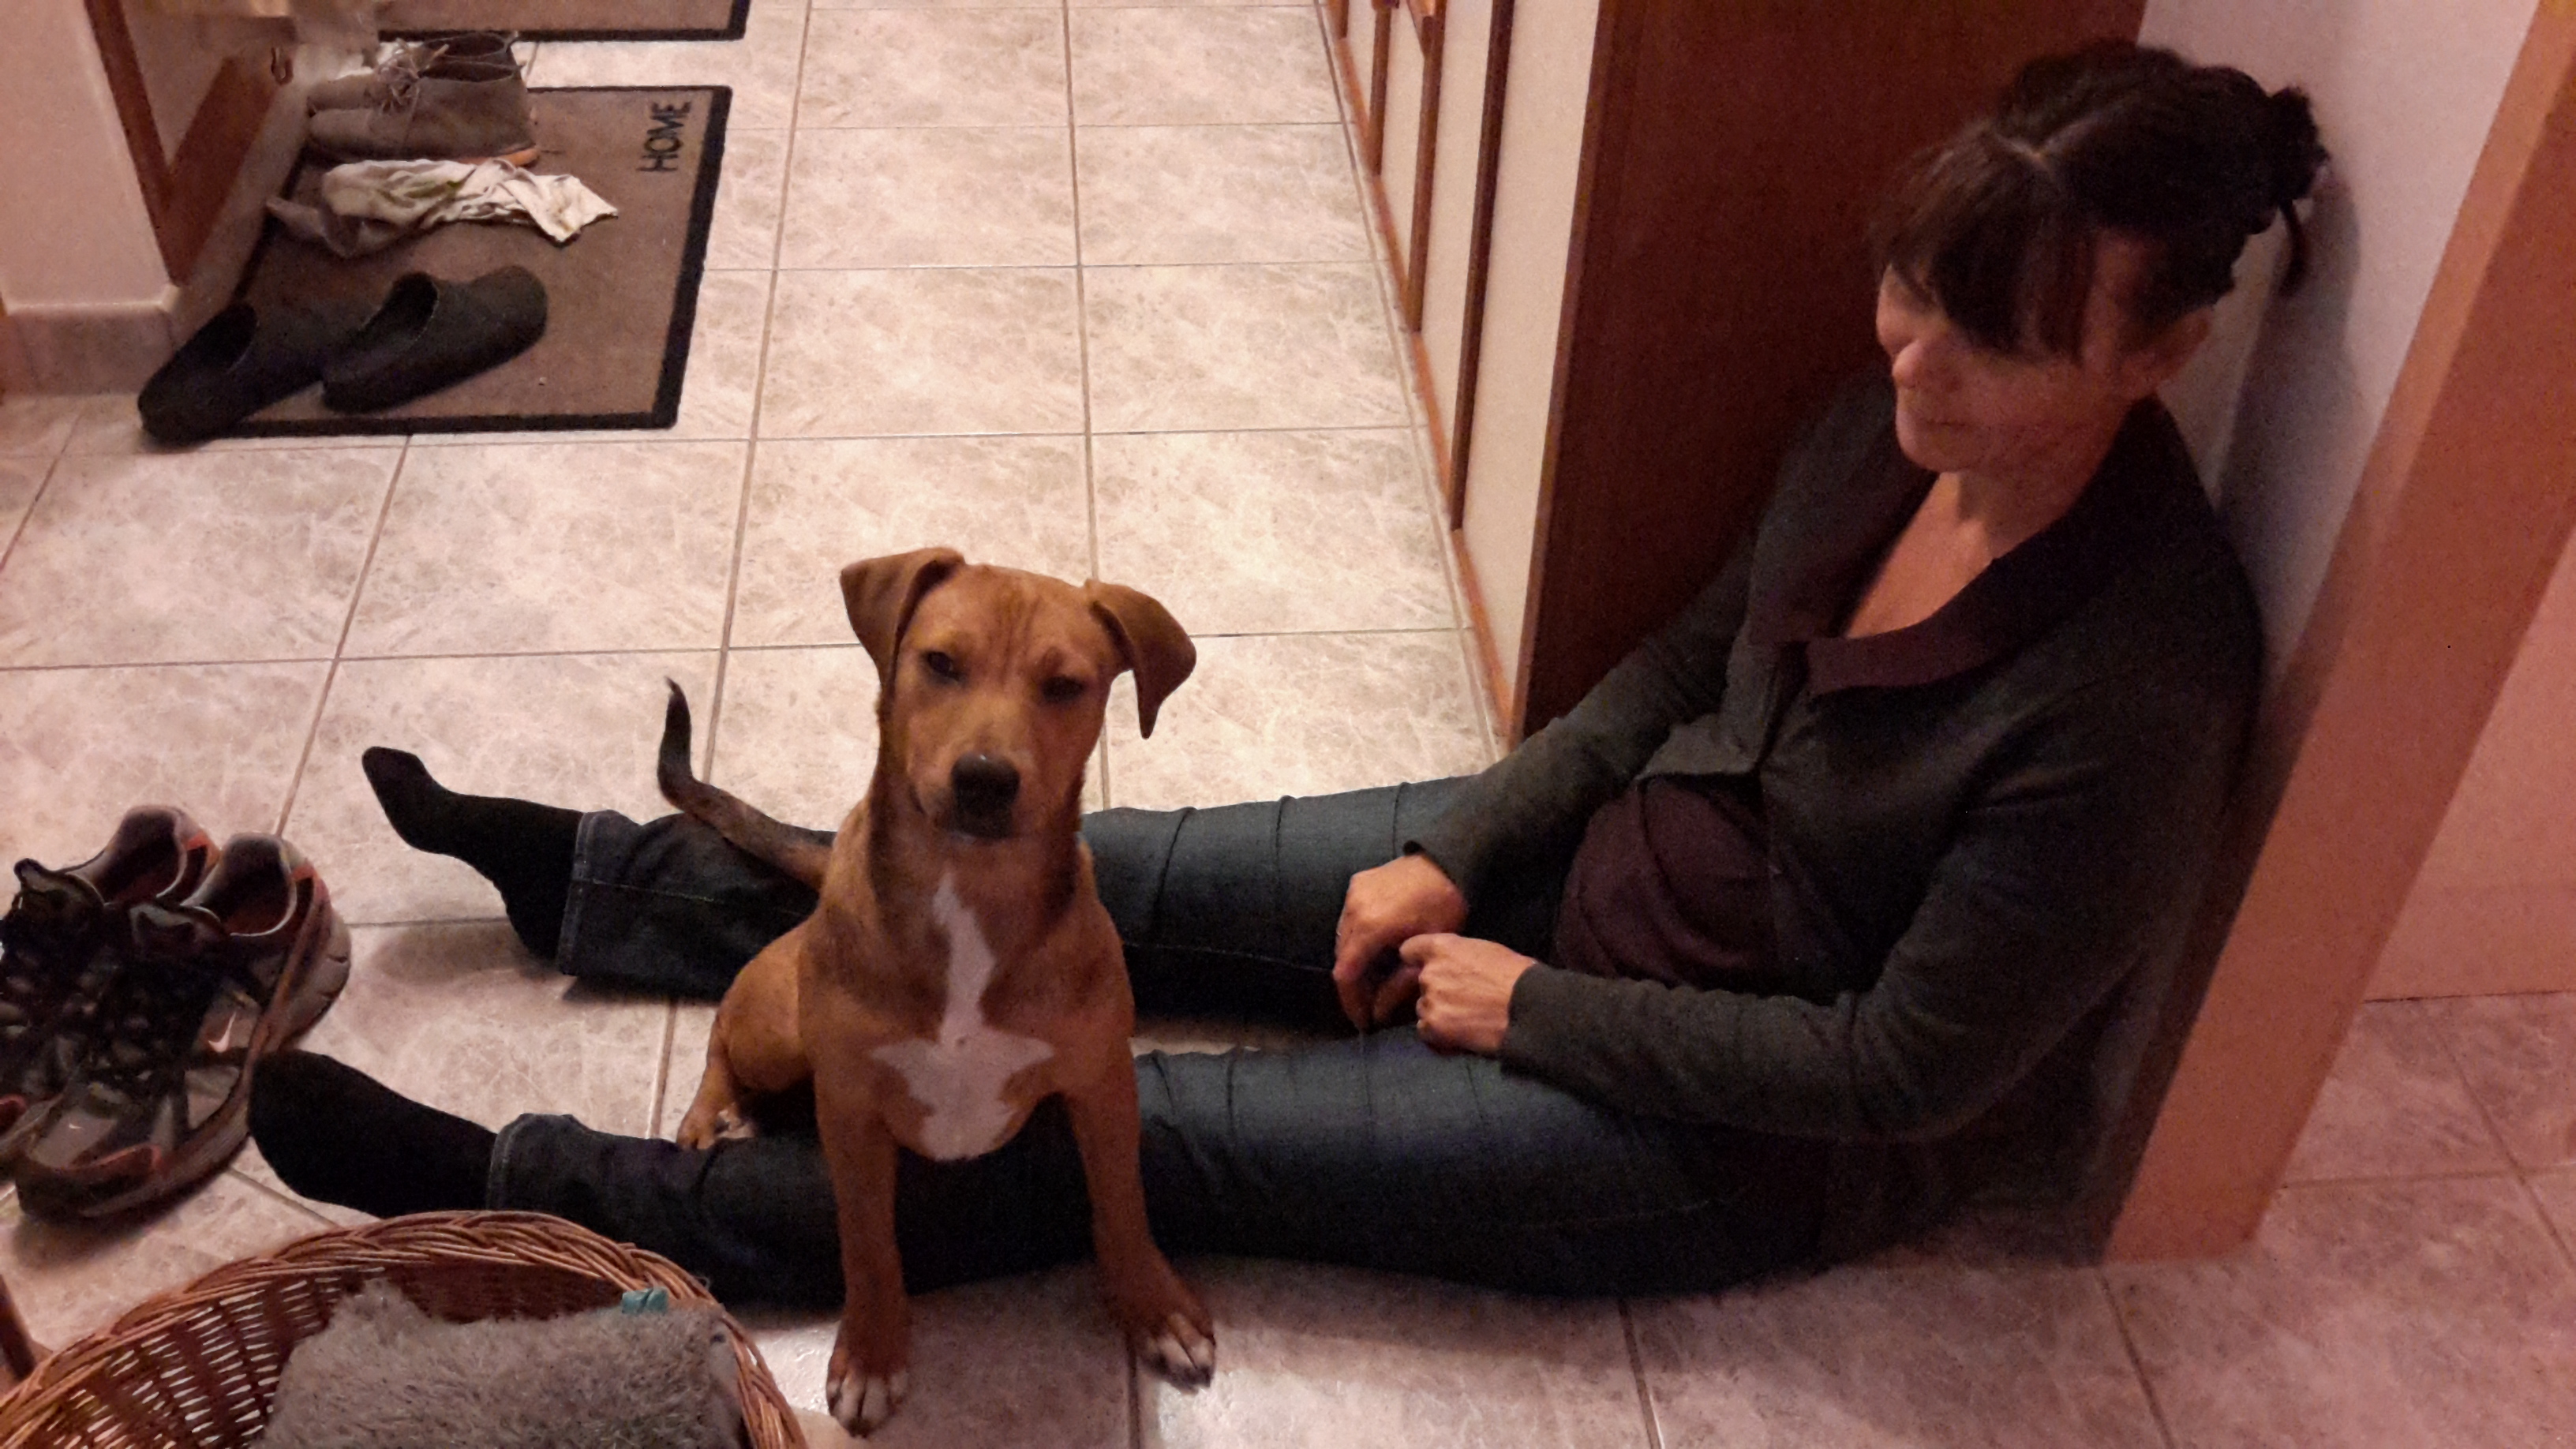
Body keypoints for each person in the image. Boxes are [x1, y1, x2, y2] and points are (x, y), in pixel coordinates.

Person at [251, 41, 2324, 1305]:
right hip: (1604, 864)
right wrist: (1467, 848)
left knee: (1122, 1128)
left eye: (1992, 338)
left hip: (1716, 1124)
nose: (1910, 360)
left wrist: (1538, 1007)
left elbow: (1903, 1075)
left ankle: (540, 1188)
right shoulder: (1902, 424)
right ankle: (607, 881)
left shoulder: (2137, 695)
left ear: (2163, 354)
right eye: (1911, 292)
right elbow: (1682, 665)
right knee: (1073, 870)